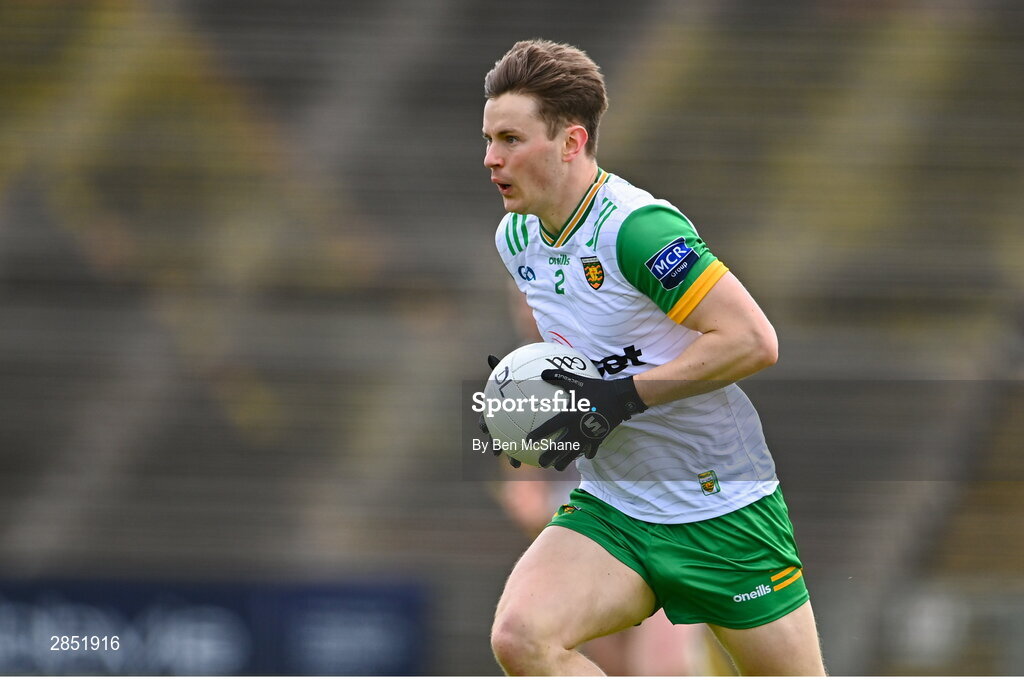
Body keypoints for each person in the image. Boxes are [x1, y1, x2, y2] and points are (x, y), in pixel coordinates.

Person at [479, 39, 826, 676]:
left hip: (722, 510)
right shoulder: (517, 235)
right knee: (521, 637)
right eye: (489, 138)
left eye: (509, 138)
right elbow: (576, 349)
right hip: (617, 506)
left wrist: (624, 397)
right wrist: (539, 409)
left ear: (570, 142)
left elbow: (753, 341)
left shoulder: (637, 230)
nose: (491, 158)